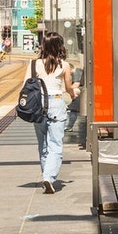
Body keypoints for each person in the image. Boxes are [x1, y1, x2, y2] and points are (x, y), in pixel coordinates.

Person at [30, 32, 79, 194]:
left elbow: (27, 86)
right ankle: (49, 177)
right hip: (56, 103)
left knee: (43, 144)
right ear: (60, 46)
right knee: (55, 144)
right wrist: (74, 93)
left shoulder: (34, 64)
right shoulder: (64, 65)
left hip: (38, 105)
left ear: (43, 45)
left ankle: (47, 175)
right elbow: (68, 88)